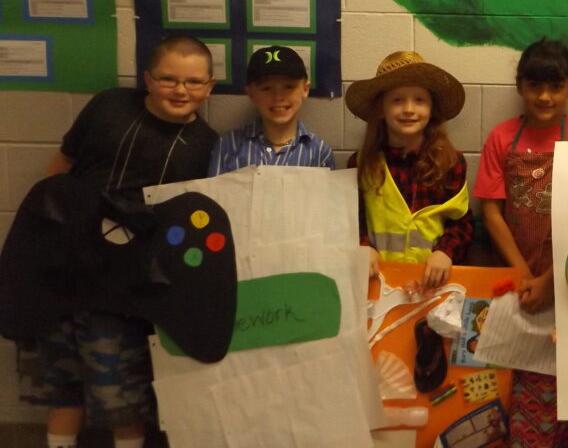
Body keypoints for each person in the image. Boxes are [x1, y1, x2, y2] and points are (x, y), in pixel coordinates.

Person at [17, 35, 218, 448]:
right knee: (63, 388)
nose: (180, 90)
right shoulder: (109, 105)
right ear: (148, 78)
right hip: (63, 269)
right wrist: (42, 231)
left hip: (122, 286)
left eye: (194, 82)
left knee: (123, 398)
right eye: (168, 79)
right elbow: (61, 167)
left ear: (210, 86)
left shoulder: (205, 146)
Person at [473, 38, 568, 447]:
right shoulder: (501, 138)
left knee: (564, 390)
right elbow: (491, 211)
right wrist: (523, 272)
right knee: (511, 382)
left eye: (556, 87)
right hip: (514, 283)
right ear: (519, 86)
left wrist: (550, 279)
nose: (545, 97)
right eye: (535, 86)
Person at [345, 50, 473, 288]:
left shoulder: (450, 162)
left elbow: (461, 222)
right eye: (397, 100)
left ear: (432, 108)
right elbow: (352, 220)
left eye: (419, 100)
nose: (409, 109)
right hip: (378, 284)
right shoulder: (361, 164)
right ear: (381, 109)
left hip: (431, 286)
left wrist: (445, 252)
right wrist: (363, 248)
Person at [207, 45, 333, 175]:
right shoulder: (228, 146)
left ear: (305, 89)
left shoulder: (319, 152)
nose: (278, 97)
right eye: (266, 88)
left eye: (289, 87)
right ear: (251, 93)